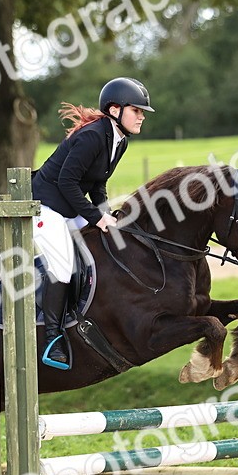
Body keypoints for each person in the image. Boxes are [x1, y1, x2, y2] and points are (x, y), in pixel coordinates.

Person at [31, 77, 153, 370]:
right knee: (63, 266)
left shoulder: (119, 141)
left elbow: (98, 185)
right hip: (44, 206)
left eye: (142, 112)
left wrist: (106, 214)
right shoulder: (93, 136)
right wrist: (97, 217)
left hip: (68, 206)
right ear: (115, 110)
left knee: (100, 249)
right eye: (136, 110)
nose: (141, 117)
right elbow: (67, 181)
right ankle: (52, 338)